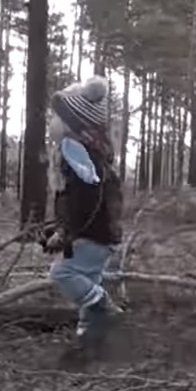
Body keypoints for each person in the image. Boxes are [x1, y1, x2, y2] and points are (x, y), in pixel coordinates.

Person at [40, 75, 124, 360]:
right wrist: (58, 227)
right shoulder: (94, 151)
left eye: (56, 118)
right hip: (104, 232)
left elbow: (84, 198)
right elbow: (80, 198)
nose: (52, 122)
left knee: (63, 273)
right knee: (88, 280)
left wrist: (66, 231)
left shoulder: (75, 151)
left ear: (71, 124)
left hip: (92, 232)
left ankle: (104, 307)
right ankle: (90, 345)